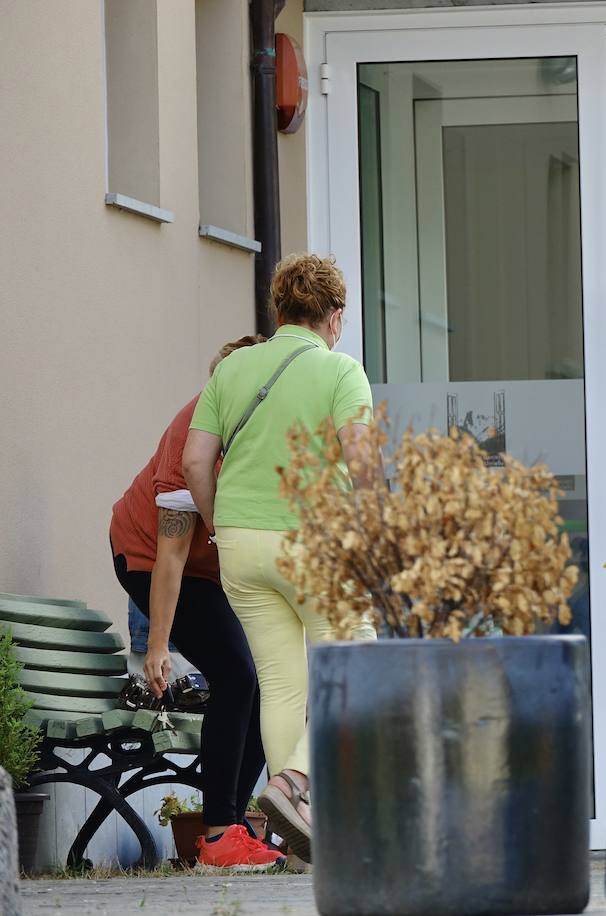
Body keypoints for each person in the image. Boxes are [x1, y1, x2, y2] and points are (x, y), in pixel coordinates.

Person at [183, 254, 378, 863]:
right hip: (315, 541)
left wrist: (222, 525)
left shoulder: (234, 368)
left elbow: (194, 462)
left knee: (282, 684)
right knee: (358, 667)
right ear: (335, 316)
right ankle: (295, 784)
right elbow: (365, 468)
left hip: (240, 544)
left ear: (279, 310)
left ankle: (298, 843)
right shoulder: (341, 372)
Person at [110, 335, 283, 872]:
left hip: (214, 571)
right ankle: (217, 836)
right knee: (235, 672)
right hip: (149, 557)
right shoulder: (194, 440)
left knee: (262, 678)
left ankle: (234, 824)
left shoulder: (265, 430)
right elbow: (171, 555)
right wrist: (157, 645)